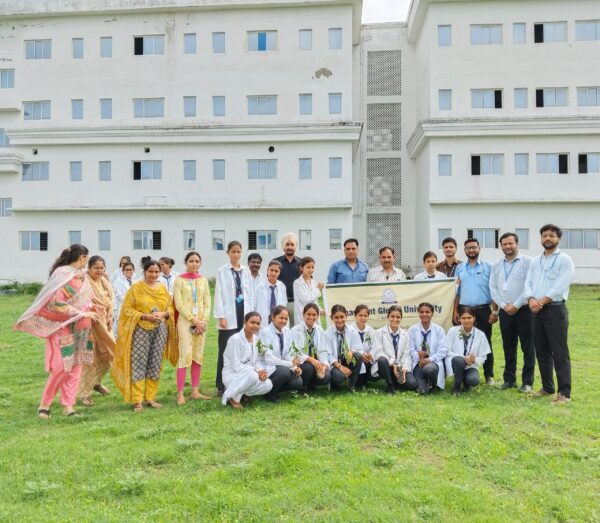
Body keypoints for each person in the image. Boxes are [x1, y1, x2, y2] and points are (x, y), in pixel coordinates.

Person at [15, 244, 97, 418]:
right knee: (61, 366)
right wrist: (80, 313)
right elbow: (55, 304)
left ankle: (69, 406)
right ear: (82, 257)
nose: (87, 261)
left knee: (76, 366)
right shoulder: (62, 274)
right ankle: (44, 404)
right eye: (87, 258)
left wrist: (94, 308)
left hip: (82, 327)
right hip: (62, 326)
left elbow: (85, 300)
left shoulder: (82, 276)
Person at [111, 259, 177, 412]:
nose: (153, 275)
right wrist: (145, 316)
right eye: (150, 271)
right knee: (139, 363)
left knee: (155, 363)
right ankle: (137, 400)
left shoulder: (162, 288)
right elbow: (127, 309)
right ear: (144, 272)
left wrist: (164, 314)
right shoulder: (136, 288)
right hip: (141, 329)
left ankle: (150, 398)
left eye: (156, 272)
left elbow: (170, 307)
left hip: (160, 329)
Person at [524, 224, 575, 404]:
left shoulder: (564, 260)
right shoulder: (535, 261)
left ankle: (564, 393)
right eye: (544, 235)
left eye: (552, 236)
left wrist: (542, 301)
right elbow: (528, 282)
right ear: (541, 239)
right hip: (536, 311)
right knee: (541, 350)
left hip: (554, 309)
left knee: (559, 352)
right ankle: (547, 387)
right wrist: (530, 299)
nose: (548, 238)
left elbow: (561, 284)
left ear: (558, 239)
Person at [489, 232, 535, 392]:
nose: (508, 246)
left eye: (510, 243)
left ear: (517, 244)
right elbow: (493, 288)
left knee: (528, 347)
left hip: (524, 310)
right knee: (508, 346)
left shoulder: (528, 262)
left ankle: (527, 382)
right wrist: (503, 305)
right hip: (505, 312)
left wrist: (516, 304)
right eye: (504, 244)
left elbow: (530, 286)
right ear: (501, 246)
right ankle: (509, 380)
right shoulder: (496, 264)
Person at [454, 238, 498, 385]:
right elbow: (457, 292)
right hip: (464, 310)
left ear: (479, 248)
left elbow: (493, 291)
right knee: (462, 341)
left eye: (474, 247)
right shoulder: (459, 268)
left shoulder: (489, 267)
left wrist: (495, 311)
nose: (471, 250)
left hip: (483, 310)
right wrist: (455, 311)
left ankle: (489, 375)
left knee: (486, 342)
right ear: (464, 250)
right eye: (468, 248)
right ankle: (463, 372)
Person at [214, 241, 254, 395]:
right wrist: (221, 316)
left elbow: (250, 294)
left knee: (242, 350)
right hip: (229, 315)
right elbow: (218, 295)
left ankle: (240, 383)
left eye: (238, 252)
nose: (236, 254)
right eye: (233, 252)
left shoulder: (246, 271)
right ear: (228, 253)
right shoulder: (222, 271)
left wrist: (251, 316)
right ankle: (221, 385)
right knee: (225, 350)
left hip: (244, 313)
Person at [173, 251, 211, 405]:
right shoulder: (179, 280)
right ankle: (180, 394)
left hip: (201, 324)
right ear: (186, 263)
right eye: (191, 261)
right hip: (185, 322)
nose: (194, 264)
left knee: (197, 355)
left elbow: (207, 302)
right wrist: (193, 319)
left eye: (197, 261)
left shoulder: (203, 280)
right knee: (185, 356)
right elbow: (178, 304)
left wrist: (203, 322)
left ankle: (195, 391)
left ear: (200, 263)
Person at [78, 255, 116, 407]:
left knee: (108, 355)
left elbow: (111, 302)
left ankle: (96, 382)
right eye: (96, 268)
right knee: (90, 360)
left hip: (105, 325)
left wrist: (110, 316)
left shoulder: (105, 282)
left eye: (102, 268)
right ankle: (84, 394)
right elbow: (81, 302)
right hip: (90, 326)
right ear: (89, 268)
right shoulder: (83, 282)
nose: (99, 271)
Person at [221, 312, 273, 409]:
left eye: (258, 323)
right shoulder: (235, 339)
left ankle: (242, 394)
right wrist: (256, 372)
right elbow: (236, 365)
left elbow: (256, 361)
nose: (255, 326)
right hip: (233, 374)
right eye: (252, 322)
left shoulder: (256, 339)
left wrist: (261, 371)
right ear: (245, 322)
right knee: (253, 376)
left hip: (249, 374)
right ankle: (232, 397)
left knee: (268, 384)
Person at [257, 306, 303, 402]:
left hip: (280, 366)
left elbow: (287, 353)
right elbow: (268, 358)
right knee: (284, 372)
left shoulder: (286, 331)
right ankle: (269, 394)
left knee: (297, 382)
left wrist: (294, 368)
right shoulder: (265, 333)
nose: (284, 321)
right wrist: (290, 364)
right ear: (273, 317)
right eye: (281, 318)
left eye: (286, 318)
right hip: (267, 366)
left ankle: (273, 389)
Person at [371, 305, 417, 394]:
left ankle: (395, 381)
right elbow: (378, 352)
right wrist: (393, 364)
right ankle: (390, 386)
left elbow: (407, 354)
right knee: (382, 360)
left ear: (401, 318)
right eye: (392, 316)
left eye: (398, 317)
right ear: (388, 317)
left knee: (412, 384)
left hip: (400, 366)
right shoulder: (379, 333)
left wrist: (404, 369)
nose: (395, 319)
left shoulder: (405, 334)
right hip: (386, 366)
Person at [446, 306, 491, 395]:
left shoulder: (480, 335)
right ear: (459, 319)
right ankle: (457, 386)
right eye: (463, 318)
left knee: (473, 380)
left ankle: (465, 381)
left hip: (471, 366)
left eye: (469, 317)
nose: (466, 321)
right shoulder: (453, 331)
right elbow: (447, 350)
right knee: (459, 360)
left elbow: (483, 357)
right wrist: (463, 358)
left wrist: (475, 360)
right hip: (456, 363)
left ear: (474, 318)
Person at [289, 303, 331, 393]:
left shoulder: (320, 330)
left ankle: (311, 385)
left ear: (318, 316)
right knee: (309, 367)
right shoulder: (295, 330)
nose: (311, 317)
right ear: (303, 314)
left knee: (327, 376)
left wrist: (324, 365)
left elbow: (323, 350)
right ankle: (302, 387)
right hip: (301, 362)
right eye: (308, 314)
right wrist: (310, 359)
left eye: (314, 314)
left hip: (316, 362)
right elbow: (293, 351)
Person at [407, 303, 447, 393]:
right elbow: (409, 349)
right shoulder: (412, 330)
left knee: (429, 369)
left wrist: (429, 360)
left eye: (427, 312)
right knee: (422, 391)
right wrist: (417, 355)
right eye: (421, 312)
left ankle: (433, 383)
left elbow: (442, 351)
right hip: (418, 364)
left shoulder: (439, 330)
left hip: (433, 363)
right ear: (418, 313)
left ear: (432, 313)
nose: (424, 314)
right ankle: (425, 384)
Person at [323, 305, 364, 391]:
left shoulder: (352, 331)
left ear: (346, 316)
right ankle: (334, 383)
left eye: (342, 317)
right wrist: (340, 367)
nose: (339, 320)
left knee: (358, 356)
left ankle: (352, 384)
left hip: (348, 360)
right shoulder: (327, 333)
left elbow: (359, 349)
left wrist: (352, 352)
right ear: (331, 318)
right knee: (338, 377)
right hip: (335, 364)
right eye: (336, 317)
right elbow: (327, 354)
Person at [272, 233, 301, 324]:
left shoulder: (302, 263)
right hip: (280, 302)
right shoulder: (275, 262)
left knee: (296, 328)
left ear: (296, 246)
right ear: (283, 246)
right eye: (287, 244)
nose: (289, 247)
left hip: (297, 303)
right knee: (280, 327)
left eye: (292, 244)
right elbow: (270, 281)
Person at [349, 304, 377, 388]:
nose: (363, 318)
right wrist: (361, 354)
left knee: (374, 373)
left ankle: (363, 379)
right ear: (355, 315)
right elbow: (349, 347)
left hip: (367, 360)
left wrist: (370, 355)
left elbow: (374, 347)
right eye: (360, 315)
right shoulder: (349, 330)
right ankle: (355, 380)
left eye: (365, 316)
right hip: (354, 360)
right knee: (357, 359)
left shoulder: (371, 331)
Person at [255, 260, 287, 329]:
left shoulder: (282, 286)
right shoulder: (259, 287)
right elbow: (254, 306)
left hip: (278, 318)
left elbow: (284, 304)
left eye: (276, 271)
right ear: (267, 270)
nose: (273, 273)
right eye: (271, 270)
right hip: (264, 319)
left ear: (279, 273)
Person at [292, 257, 324, 326]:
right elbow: (306, 299)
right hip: (302, 316)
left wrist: (320, 309)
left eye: (312, 267)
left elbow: (315, 300)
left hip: (314, 315)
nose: (311, 270)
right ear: (301, 268)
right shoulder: (297, 283)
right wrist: (318, 289)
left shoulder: (313, 282)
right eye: (308, 267)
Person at [113, 261, 135, 336]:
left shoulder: (135, 281)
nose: (129, 271)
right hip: (122, 308)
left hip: (133, 309)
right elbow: (119, 296)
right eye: (126, 270)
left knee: (131, 332)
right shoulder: (118, 281)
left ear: (133, 270)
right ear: (123, 271)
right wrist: (132, 301)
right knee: (119, 332)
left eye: (130, 269)